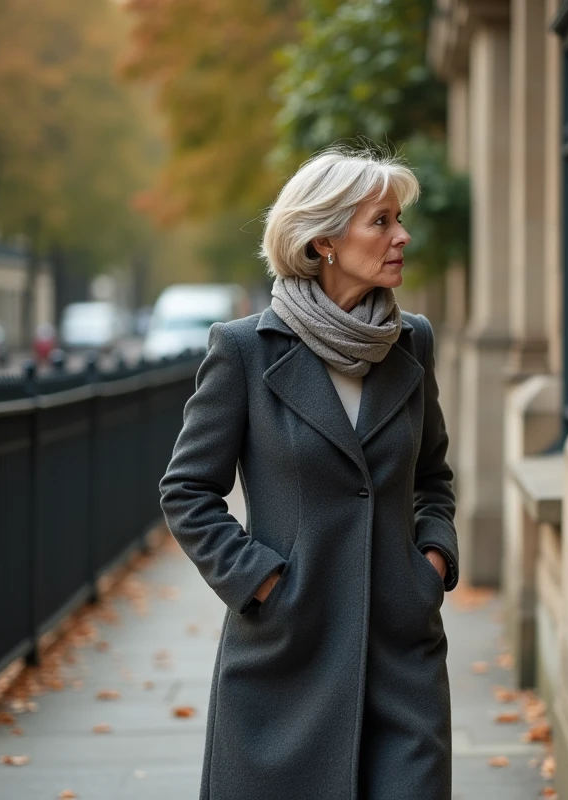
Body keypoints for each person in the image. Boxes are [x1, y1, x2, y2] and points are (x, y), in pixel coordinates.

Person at [160, 144, 457, 800]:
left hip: (400, 659)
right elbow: (187, 490)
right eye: (381, 221)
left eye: (398, 219)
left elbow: (432, 476)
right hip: (284, 663)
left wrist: (430, 561)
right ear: (324, 239)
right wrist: (261, 581)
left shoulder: (413, 343)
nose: (401, 235)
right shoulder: (242, 350)